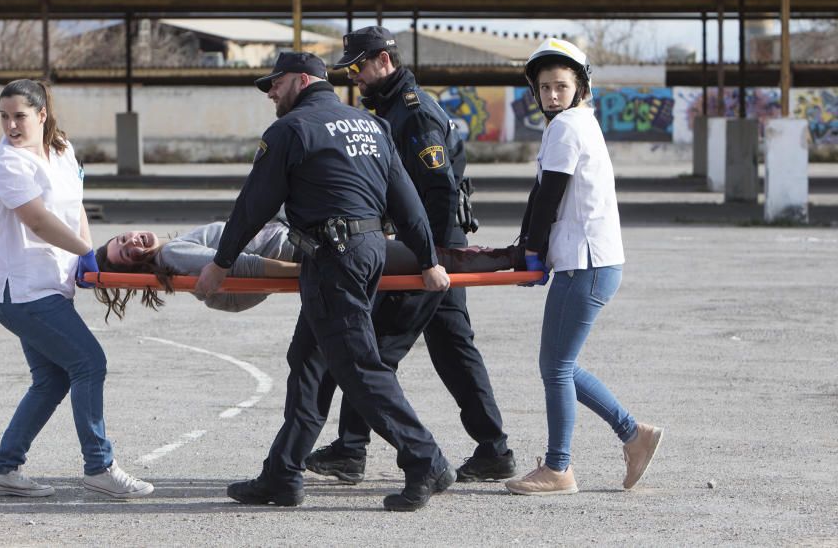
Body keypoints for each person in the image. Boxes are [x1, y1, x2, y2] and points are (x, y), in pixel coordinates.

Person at [193, 51, 456, 512]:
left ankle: (424, 459)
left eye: (274, 83)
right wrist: (427, 257)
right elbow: (407, 200)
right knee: (310, 362)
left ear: (300, 80)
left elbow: (254, 204)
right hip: (367, 250)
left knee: (358, 366)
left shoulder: (291, 130)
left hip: (333, 258)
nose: (271, 92)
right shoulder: (371, 125)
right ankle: (283, 473)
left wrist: (222, 262)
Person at [308, 26, 515, 485]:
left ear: (384, 60)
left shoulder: (413, 114)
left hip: (429, 251)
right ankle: (493, 449)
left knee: (373, 350)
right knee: (454, 351)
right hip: (431, 250)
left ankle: (351, 448)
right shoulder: (395, 110)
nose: (355, 77)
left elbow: (438, 192)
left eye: (359, 66)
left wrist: (426, 260)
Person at [0, 79, 153, 500]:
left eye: (19, 115)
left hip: (50, 286)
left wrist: (82, 259)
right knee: (89, 363)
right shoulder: (6, 162)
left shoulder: (61, 150)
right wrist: (86, 251)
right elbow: (36, 221)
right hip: (21, 291)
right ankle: (99, 466)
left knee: (51, 380)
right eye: (4, 116)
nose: (11, 125)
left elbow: (75, 205)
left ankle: (4, 467)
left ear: (41, 115)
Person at [504, 38, 663, 496]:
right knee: (562, 364)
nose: (552, 95)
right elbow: (543, 195)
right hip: (593, 262)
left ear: (580, 87)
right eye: (545, 87)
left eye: (561, 86)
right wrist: (525, 249)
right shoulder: (576, 124)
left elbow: (548, 196)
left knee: (555, 367)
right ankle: (635, 436)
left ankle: (559, 468)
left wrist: (532, 253)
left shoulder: (567, 127)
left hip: (586, 265)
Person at [91, 221, 523, 318]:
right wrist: (305, 272)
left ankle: (506, 257)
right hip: (304, 253)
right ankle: (511, 258)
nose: (131, 244)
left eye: (122, 239)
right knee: (425, 257)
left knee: (417, 254)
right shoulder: (172, 258)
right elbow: (240, 265)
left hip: (303, 242)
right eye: (127, 253)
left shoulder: (174, 244)